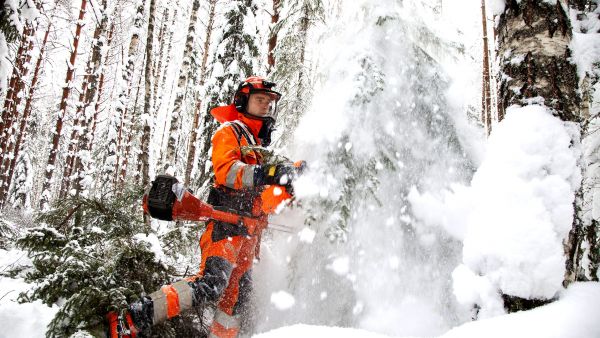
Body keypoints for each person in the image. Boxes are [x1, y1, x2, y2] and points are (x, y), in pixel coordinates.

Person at [112, 76, 304, 338]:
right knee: (211, 284)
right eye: (260, 100)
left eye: (269, 102)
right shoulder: (230, 132)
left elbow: (262, 199)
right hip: (225, 226)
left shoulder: (257, 149)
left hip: (248, 236)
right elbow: (227, 172)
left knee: (236, 300)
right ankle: (131, 319)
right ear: (242, 101)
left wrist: (291, 183)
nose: (266, 107)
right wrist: (271, 172)